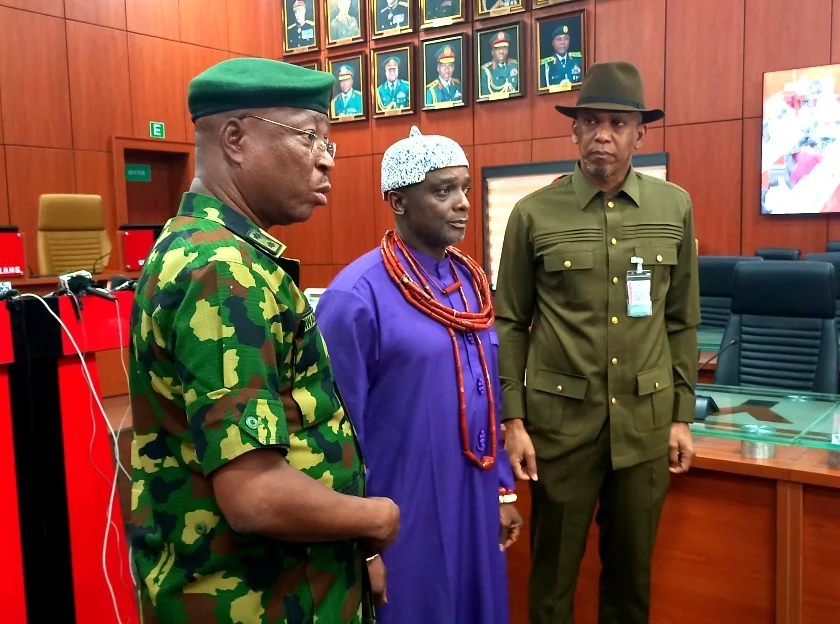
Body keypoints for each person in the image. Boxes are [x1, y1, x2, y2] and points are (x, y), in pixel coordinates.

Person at [128, 57, 400, 623]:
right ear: (235, 138)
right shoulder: (221, 268)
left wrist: (358, 551)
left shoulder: (211, 249)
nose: (327, 159)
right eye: (311, 137)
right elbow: (255, 497)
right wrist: (374, 519)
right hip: (258, 600)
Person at [495, 61, 699, 624]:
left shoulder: (673, 207)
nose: (602, 135)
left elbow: (681, 321)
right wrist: (514, 421)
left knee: (632, 580)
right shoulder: (533, 213)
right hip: (560, 427)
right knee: (553, 579)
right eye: (590, 122)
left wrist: (681, 417)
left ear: (640, 133)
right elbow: (509, 321)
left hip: (645, 422)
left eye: (616, 122)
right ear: (575, 130)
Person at [315, 126, 522, 624]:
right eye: (442, 190)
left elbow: (485, 398)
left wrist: (502, 491)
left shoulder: (469, 283)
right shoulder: (355, 298)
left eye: (465, 188)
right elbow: (334, 437)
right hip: (401, 509)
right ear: (399, 201)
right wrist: (363, 548)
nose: (462, 204)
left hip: (472, 498)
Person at [539, 24, 583, 89]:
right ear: (553, 43)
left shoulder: (579, 60)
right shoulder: (546, 65)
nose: (563, 42)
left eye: (566, 39)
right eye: (559, 39)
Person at [480, 31, 519, 98]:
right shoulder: (485, 72)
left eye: (504, 48)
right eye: (498, 49)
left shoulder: (516, 66)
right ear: (492, 52)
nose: (501, 52)